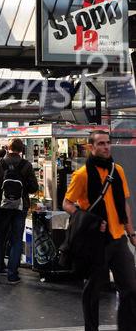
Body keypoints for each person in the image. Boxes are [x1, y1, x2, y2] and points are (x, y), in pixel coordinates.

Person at [63, 130, 136, 331]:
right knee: (93, 291)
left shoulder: (117, 170)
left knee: (130, 288)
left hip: (118, 238)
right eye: (101, 143)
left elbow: (124, 205)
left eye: (107, 143)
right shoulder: (82, 175)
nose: (106, 147)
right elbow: (67, 204)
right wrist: (89, 220)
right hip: (96, 242)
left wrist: (131, 232)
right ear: (91, 147)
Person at [0, 138, 38, 284]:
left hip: (2, 206)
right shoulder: (26, 165)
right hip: (20, 207)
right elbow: (34, 187)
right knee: (16, 240)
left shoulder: (0, 162)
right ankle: (12, 275)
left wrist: (0, 191)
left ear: (8, 147)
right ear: (21, 150)